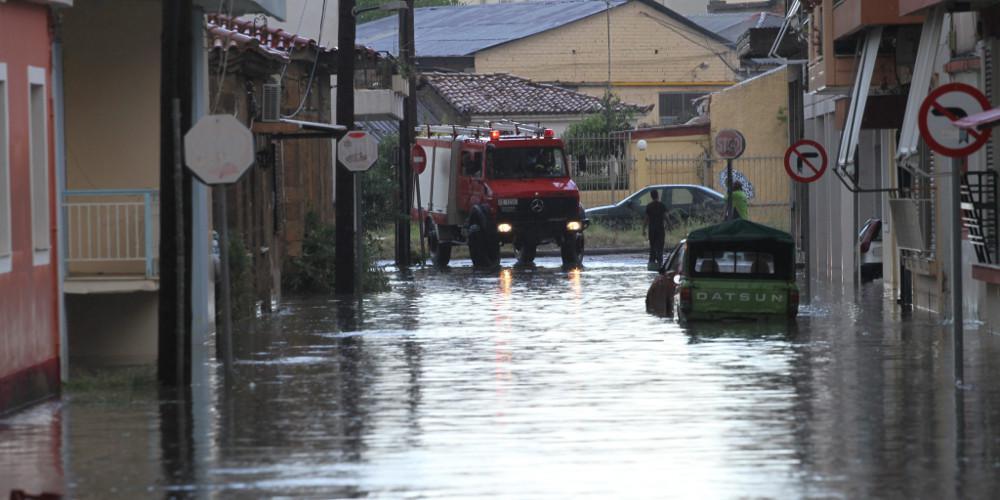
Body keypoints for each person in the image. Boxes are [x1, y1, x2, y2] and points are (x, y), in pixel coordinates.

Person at [643, 189, 668, 268]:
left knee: (652, 247)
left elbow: (646, 219)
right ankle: (660, 264)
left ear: (651, 196)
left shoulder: (649, 206)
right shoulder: (662, 205)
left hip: (652, 230)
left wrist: (643, 229)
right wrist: (670, 225)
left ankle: (652, 264)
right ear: (658, 195)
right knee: (660, 247)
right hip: (660, 230)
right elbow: (665, 216)